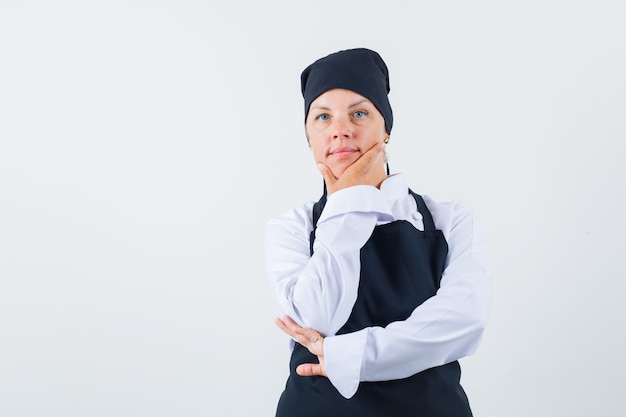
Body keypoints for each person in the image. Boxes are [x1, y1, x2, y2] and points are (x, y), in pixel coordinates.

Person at [265, 48, 491, 416]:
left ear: (386, 127)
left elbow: (463, 323)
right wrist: (351, 201)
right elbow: (314, 319)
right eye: (323, 117)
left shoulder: (449, 220)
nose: (341, 129)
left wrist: (345, 354)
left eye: (359, 113)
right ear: (309, 137)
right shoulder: (290, 228)